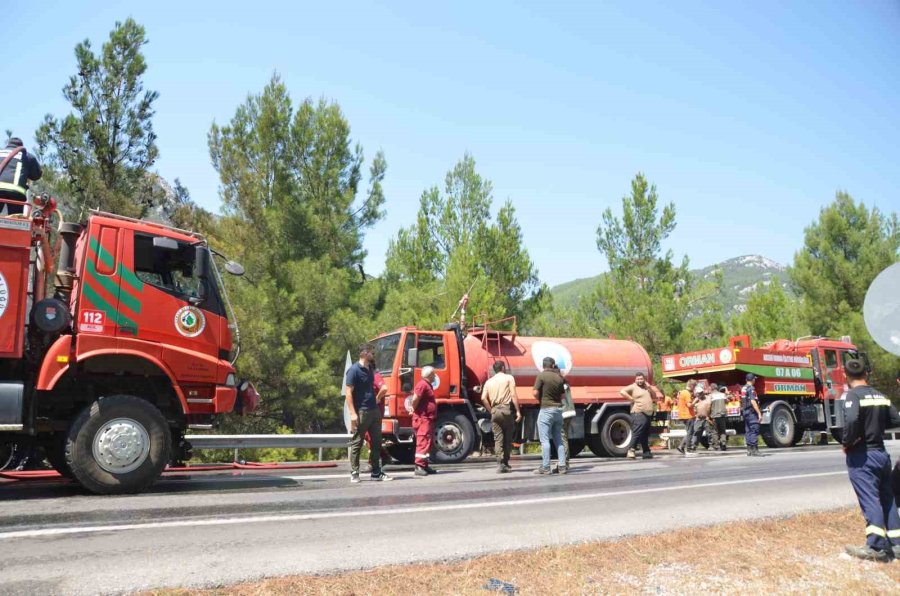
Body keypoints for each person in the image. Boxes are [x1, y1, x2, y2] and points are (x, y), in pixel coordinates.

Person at [841, 358, 900, 562]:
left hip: (862, 455)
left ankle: (876, 546)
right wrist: (877, 425)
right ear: (866, 374)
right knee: (888, 498)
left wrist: (848, 441)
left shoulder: (852, 396)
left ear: (846, 376)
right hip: (881, 454)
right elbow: (896, 419)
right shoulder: (880, 395)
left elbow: (851, 420)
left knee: (870, 498)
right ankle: (897, 543)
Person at [345, 344, 392, 483]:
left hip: (374, 410)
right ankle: (354, 472)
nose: (373, 354)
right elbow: (348, 393)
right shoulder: (353, 370)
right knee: (357, 442)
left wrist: (377, 402)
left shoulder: (370, 369)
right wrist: (353, 414)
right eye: (371, 352)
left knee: (376, 442)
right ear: (364, 353)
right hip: (362, 411)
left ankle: (376, 472)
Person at [481, 361, 522, 473]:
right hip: (506, 410)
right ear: (503, 368)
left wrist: (491, 410)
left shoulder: (489, 382)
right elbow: (513, 395)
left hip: (495, 411)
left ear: (494, 369)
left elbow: (483, 398)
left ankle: (500, 463)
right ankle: (506, 462)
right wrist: (518, 411)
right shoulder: (509, 378)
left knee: (498, 438)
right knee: (507, 438)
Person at [533, 357, 568, 475]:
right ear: (553, 365)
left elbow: (535, 393)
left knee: (545, 440)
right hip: (558, 410)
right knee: (558, 439)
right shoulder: (559, 377)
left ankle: (546, 467)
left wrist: (541, 400)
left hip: (546, 410)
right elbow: (563, 396)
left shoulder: (541, 376)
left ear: (543, 366)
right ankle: (562, 466)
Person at [620, 372, 659, 460]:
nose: (640, 380)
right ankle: (631, 450)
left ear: (644, 379)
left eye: (641, 379)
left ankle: (646, 452)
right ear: (635, 380)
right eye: (638, 379)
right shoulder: (633, 386)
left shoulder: (646, 387)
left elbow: (654, 396)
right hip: (638, 412)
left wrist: (649, 387)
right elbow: (622, 391)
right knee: (637, 432)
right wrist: (631, 399)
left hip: (648, 413)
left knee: (645, 433)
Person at [0, 138, 42, 216]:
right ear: (21, 146)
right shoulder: (27, 156)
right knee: (15, 220)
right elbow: (36, 175)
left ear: (8, 145)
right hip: (16, 192)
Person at [411, 366, 439, 477]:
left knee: (428, 442)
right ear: (429, 375)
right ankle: (419, 466)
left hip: (428, 419)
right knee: (422, 441)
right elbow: (415, 399)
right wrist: (415, 409)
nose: (435, 376)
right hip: (423, 419)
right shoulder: (422, 385)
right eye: (433, 374)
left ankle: (425, 464)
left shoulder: (427, 385)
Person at [741, 373, 763, 457]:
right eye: (754, 379)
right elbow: (753, 401)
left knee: (748, 430)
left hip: (745, 412)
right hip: (751, 412)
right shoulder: (751, 389)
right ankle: (755, 450)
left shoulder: (744, 388)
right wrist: (759, 413)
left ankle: (749, 450)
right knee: (754, 429)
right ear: (753, 380)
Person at [675, 379, 698, 454]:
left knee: (689, 432)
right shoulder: (687, 393)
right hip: (688, 415)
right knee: (690, 433)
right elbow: (689, 405)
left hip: (683, 415)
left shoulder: (682, 392)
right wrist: (695, 400)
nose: (694, 388)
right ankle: (688, 448)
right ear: (691, 386)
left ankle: (681, 446)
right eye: (694, 387)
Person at [708, 383, 729, 451]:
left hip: (714, 416)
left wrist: (708, 415)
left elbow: (708, 406)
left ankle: (716, 446)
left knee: (715, 431)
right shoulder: (722, 394)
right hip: (722, 415)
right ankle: (723, 444)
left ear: (711, 388)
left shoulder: (710, 396)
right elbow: (727, 401)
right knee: (722, 430)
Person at [691, 386, 712, 451]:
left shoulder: (709, 398)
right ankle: (693, 446)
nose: (700, 394)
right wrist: (695, 401)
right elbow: (691, 407)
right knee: (696, 432)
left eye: (701, 393)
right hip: (698, 419)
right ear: (696, 394)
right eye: (698, 393)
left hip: (707, 418)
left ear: (703, 392)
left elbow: (712, 406)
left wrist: (710, 417)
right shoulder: (696, 400)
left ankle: (711, 445)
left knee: (710, 432)